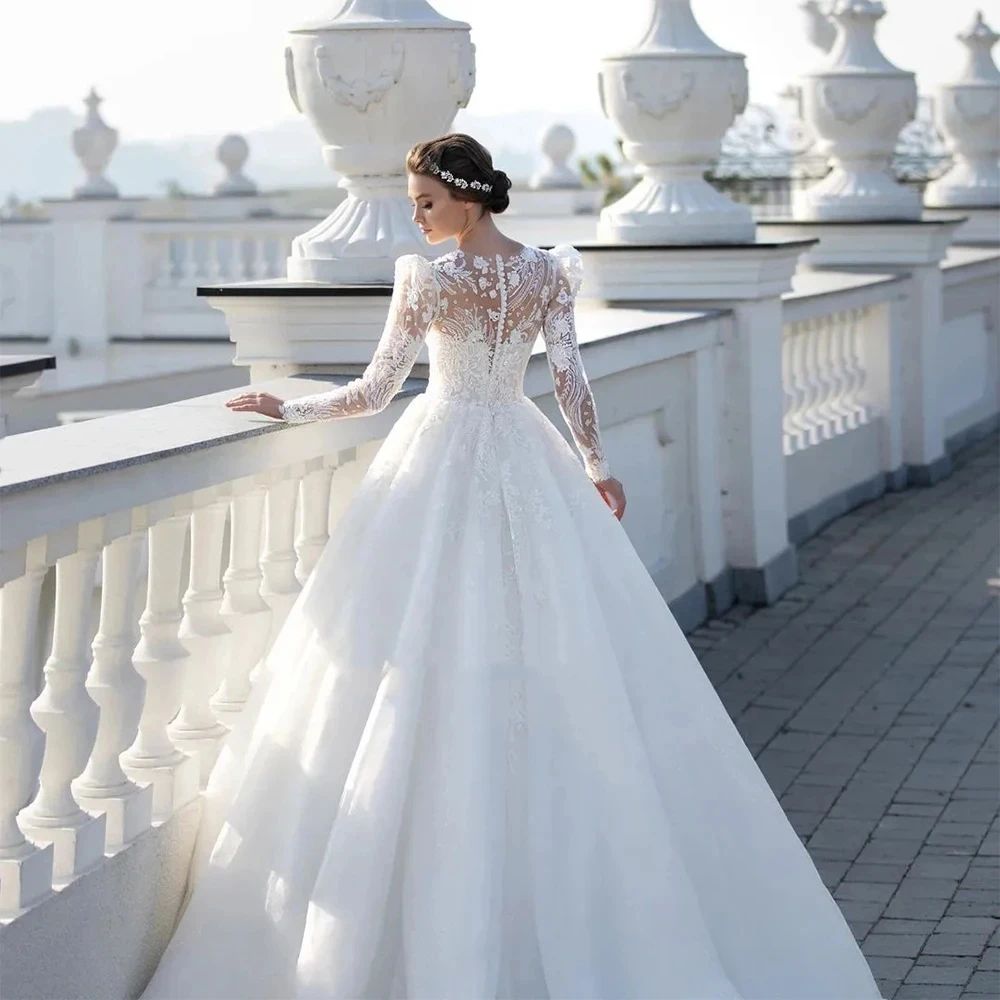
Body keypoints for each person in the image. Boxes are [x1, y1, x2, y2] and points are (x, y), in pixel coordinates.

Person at [139, 134, 884, 999]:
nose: (416, 216)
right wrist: (596, 466)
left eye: (424, 201)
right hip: (525, 454)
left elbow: (377, 390)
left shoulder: (425, 279)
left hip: (444, 452)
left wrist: (288, 404)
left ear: (464, 197)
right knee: (542, 634)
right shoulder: (544, 272)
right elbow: (569, 379)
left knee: (423, 640)